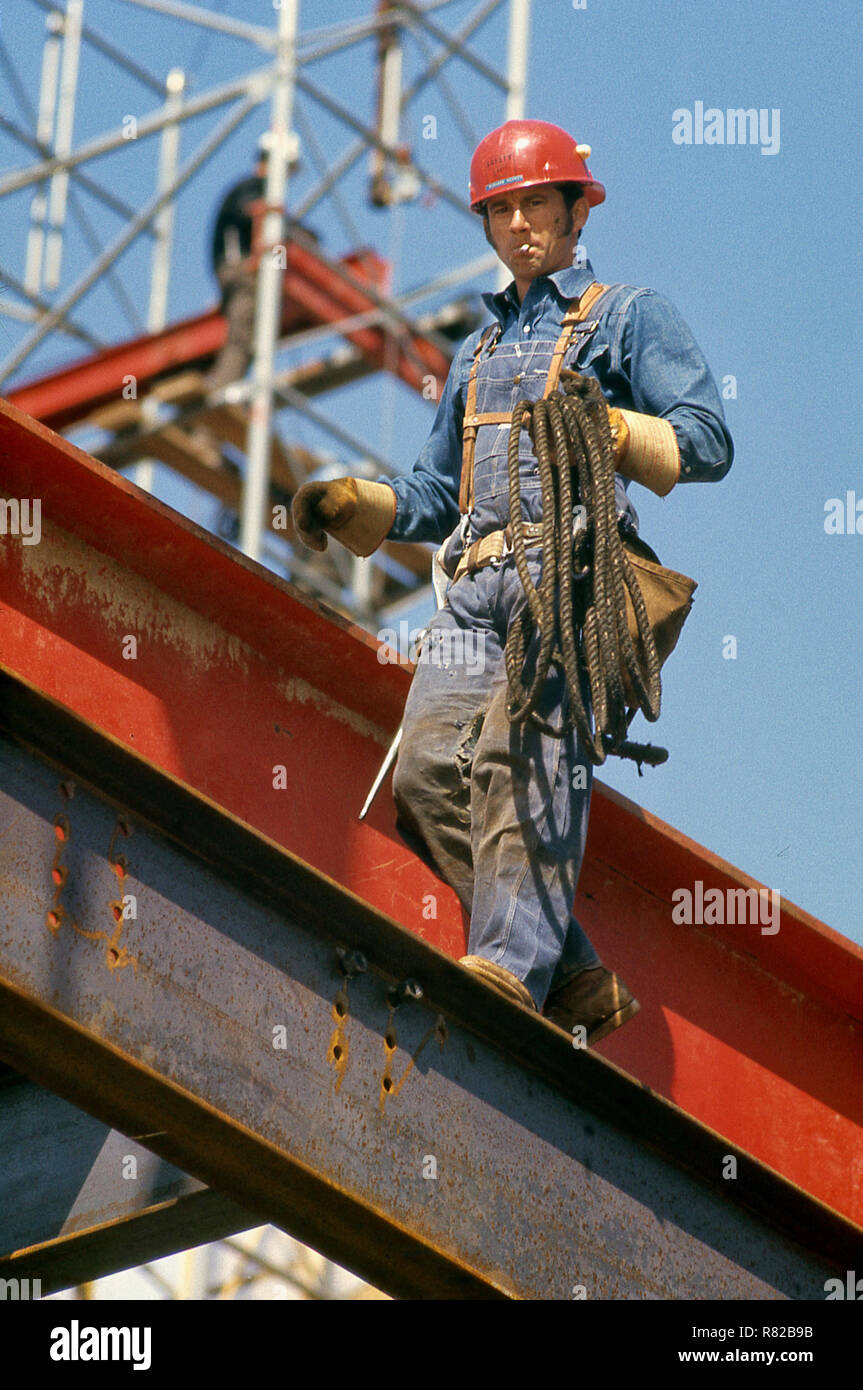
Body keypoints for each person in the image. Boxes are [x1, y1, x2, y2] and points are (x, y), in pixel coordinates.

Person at [291, 120, 733, 1043]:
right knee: (425, 775)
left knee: (520, 756)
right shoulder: (477, 353)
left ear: (576, 210)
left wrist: (612, 429)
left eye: (538, 203)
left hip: (563, 577)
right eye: (502, 209)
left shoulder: (625, 315)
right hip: (474, 588)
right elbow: (431, 494)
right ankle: (570, 969)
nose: (521, 224)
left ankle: (510, 965)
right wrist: (354, 501)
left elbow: (707, 439)